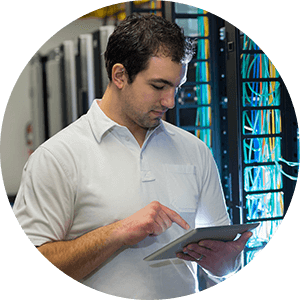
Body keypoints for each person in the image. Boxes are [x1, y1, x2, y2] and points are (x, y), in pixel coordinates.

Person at [13, 14, 252, 299]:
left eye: (177, 87)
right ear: (119, 76)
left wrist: (225, 262)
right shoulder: (57, 157)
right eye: (159, 86)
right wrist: (118, 233)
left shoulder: (195, 151)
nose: (170, 101)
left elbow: (222, 267)